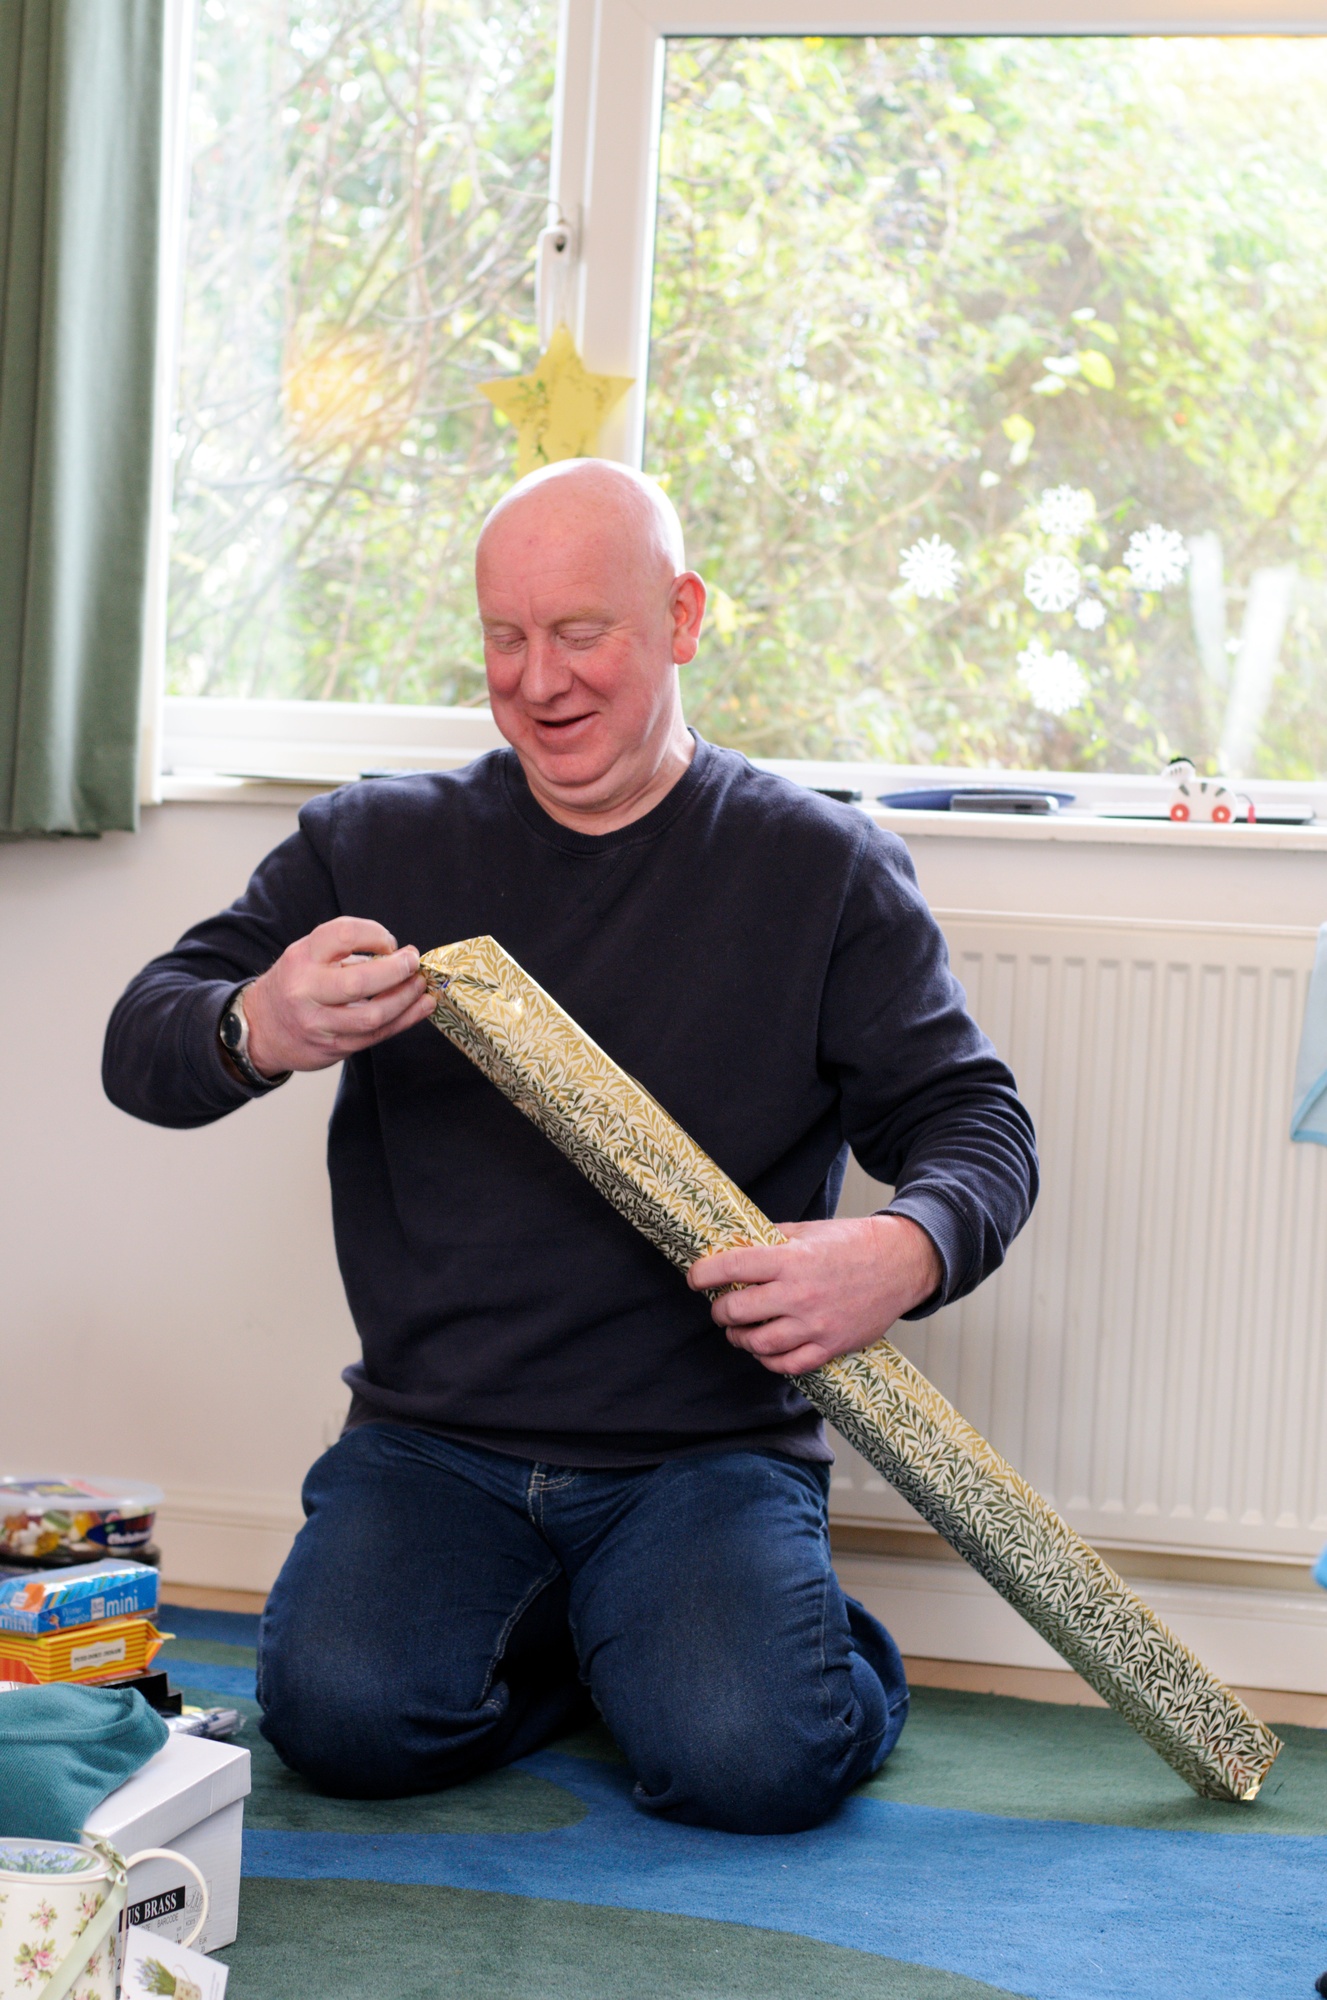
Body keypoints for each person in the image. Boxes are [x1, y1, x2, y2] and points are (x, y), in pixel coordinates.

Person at [103, 459, 1037, 1835]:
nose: (539, 681)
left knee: (750, 1761)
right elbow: (142, 1045)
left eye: (581, 632)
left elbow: (976, 1123)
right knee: (340, 1726)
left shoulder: (821, 865)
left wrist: (904, 1250)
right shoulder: (375, 842)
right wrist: (261, 1021)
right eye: (505, 637)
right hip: (434, 1443)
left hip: (704, 1454)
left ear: (681, 618)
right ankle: (598, 1648)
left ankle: (761, 1644)